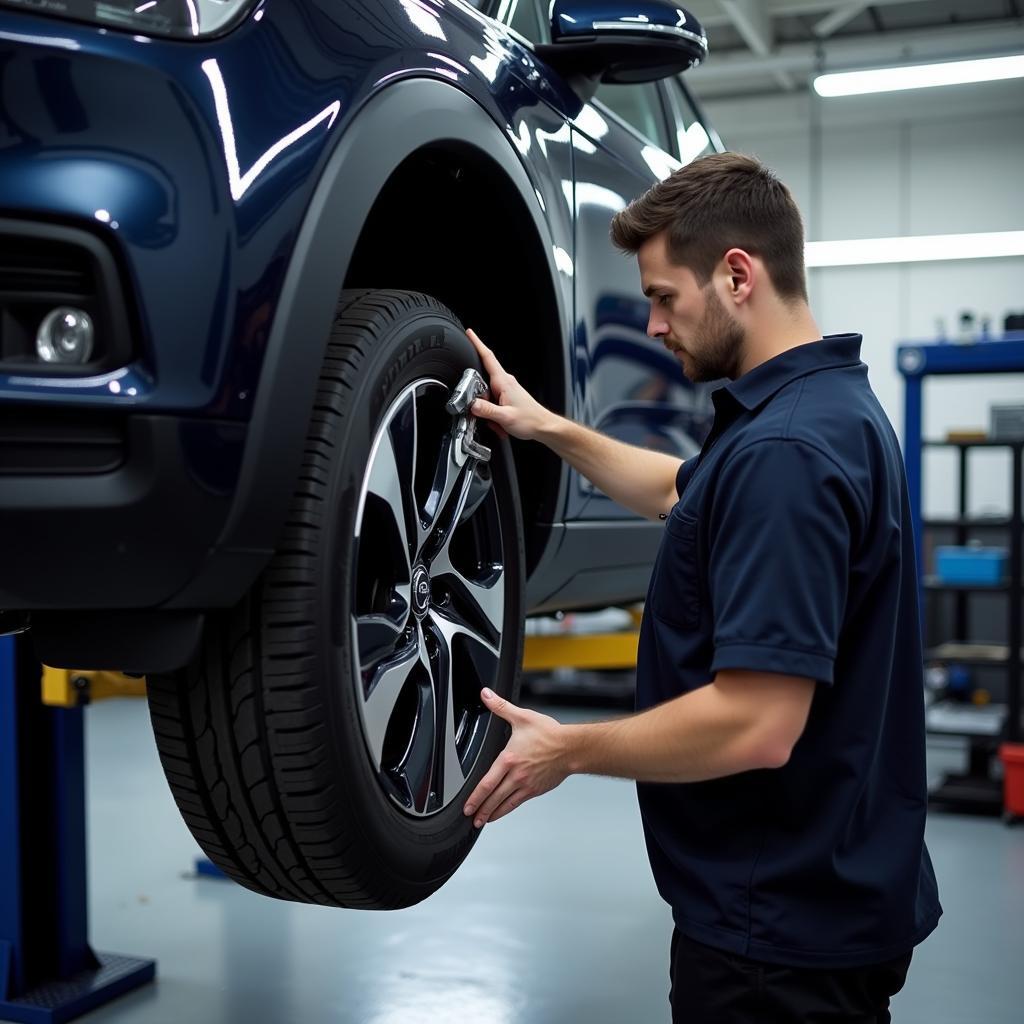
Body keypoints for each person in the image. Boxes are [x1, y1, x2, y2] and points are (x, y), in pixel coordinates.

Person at [461, 152, 941, 1023]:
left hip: (775, 941)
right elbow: (685, 492)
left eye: (662, 296)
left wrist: (568, 750)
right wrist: (546, 428)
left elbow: (758, 725)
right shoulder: (827, 410)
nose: (651, 325)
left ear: (736, 275)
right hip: (825, 893)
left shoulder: (786, 455)